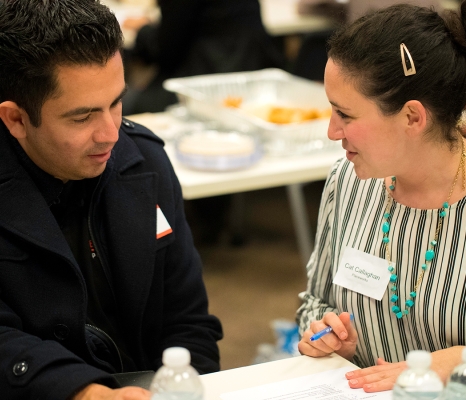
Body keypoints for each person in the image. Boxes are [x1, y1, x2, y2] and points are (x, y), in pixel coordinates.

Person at [0, 1, 222, 399]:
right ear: (15, 119)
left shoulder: (145, 161)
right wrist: (81, 390)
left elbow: (188, 319)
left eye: (116, 103)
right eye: (82, 117)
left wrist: (185, 386)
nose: (110, 134)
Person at [296, 0, 466, 393]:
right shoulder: (349, 182)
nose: (332, 132)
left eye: (346, 115)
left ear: (412, 117)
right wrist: (325, 333)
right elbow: (314, 304)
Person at [122, 0, 285, 115]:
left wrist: (144, 29)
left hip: (199, 86)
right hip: (253, 78)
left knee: (122, 104)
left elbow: (165, 49)